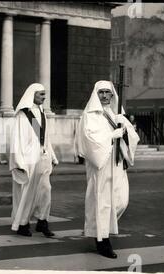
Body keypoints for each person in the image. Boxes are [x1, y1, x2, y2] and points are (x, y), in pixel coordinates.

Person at [75, 80, 140, 259]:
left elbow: (133, 137)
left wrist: (125, 129)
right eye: (101, 92)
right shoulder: (89, 115)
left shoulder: (115, 113)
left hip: (117, 162)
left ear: (112, 95)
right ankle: (102, 239)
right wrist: (112, 135)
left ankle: (102, 230)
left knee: (120, 200)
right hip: (101, 164)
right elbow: (89, 140)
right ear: (96, 94)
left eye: (107, 92)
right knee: (102, 202)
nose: (104, 96)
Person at [9, 83, 59, 237]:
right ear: (33, 95)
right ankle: (22, 223)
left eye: (45, 94)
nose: (44, 97)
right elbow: (16, 140)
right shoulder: (23, 115)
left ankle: (42, 221)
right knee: (26, 193)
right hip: (28, 160)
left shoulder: (42, 112)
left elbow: (45, 138)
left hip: (42, 158)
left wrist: (52, 155)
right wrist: (19, 162)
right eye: (41, 94)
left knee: (45, 190)